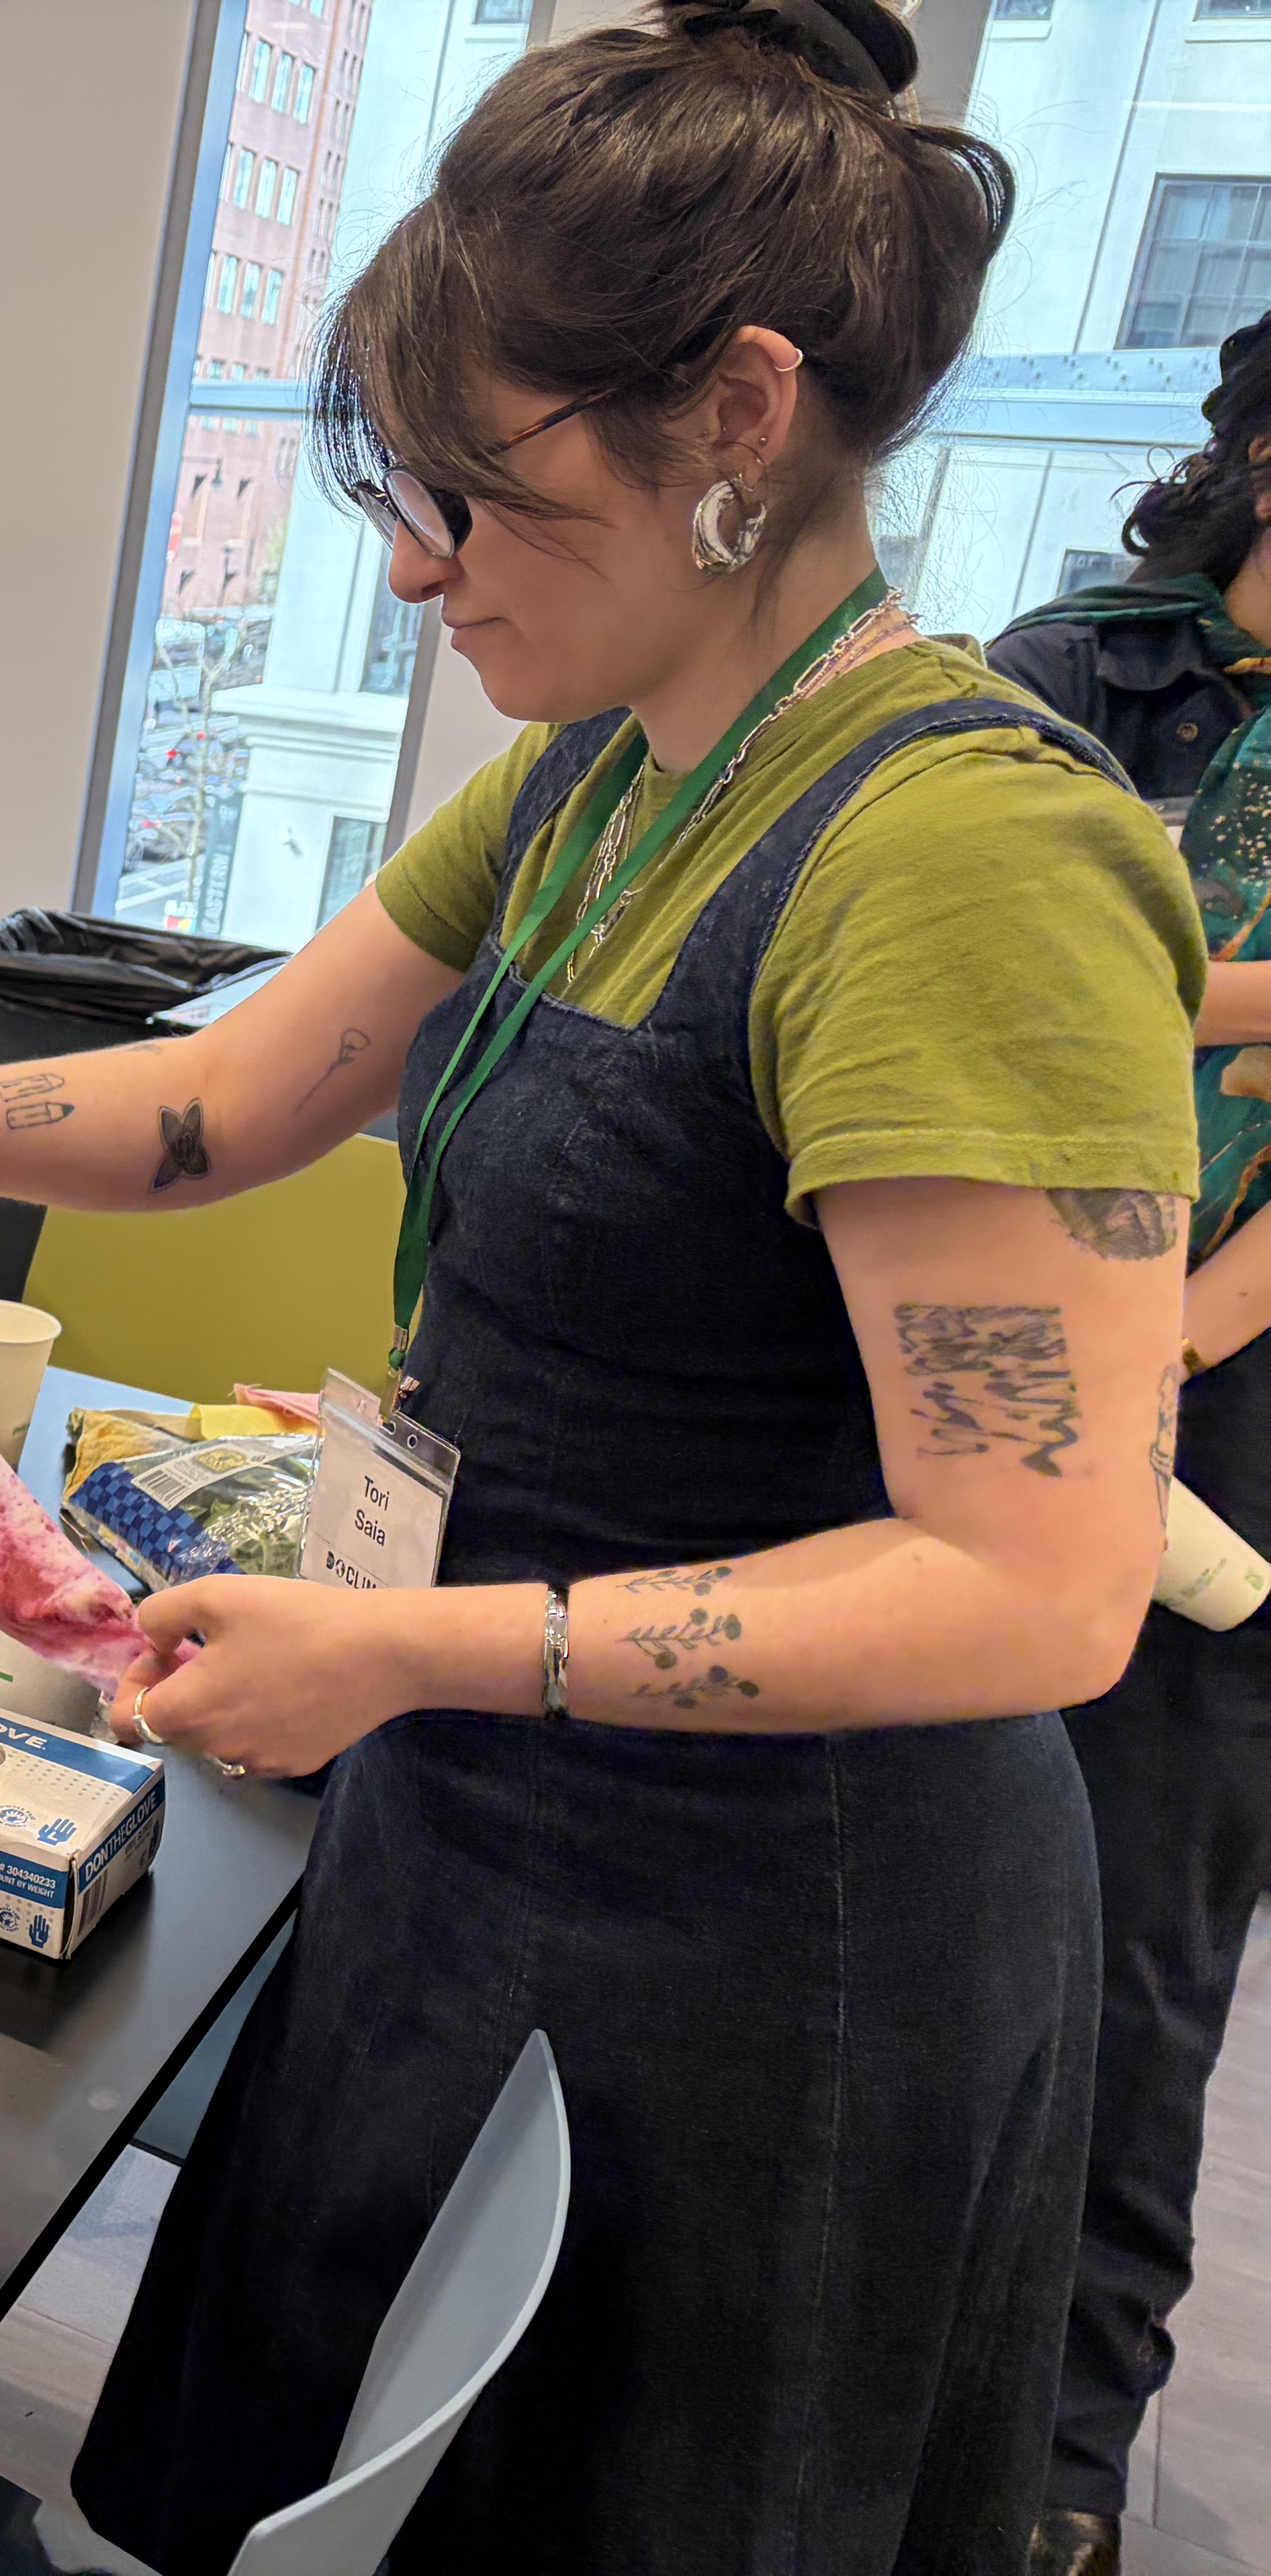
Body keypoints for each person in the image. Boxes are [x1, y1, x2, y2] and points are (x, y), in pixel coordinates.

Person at [0, 0, 1202, 2560]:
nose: (417, 569)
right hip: (494, 1823)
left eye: (466, 488)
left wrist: (425, 1647)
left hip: (772, 1945)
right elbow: (240, 1097)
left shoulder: (957, 867)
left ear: (735, 416)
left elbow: (1039, 1578)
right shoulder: (600, 768)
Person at [988, 313, 1271, 2576]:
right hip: (977, 1322)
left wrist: (1176, 1330)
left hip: (1224, 1433)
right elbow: (1010, 957)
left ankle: (1057, 2461)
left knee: (1137, 1952)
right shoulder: (1080, 669)